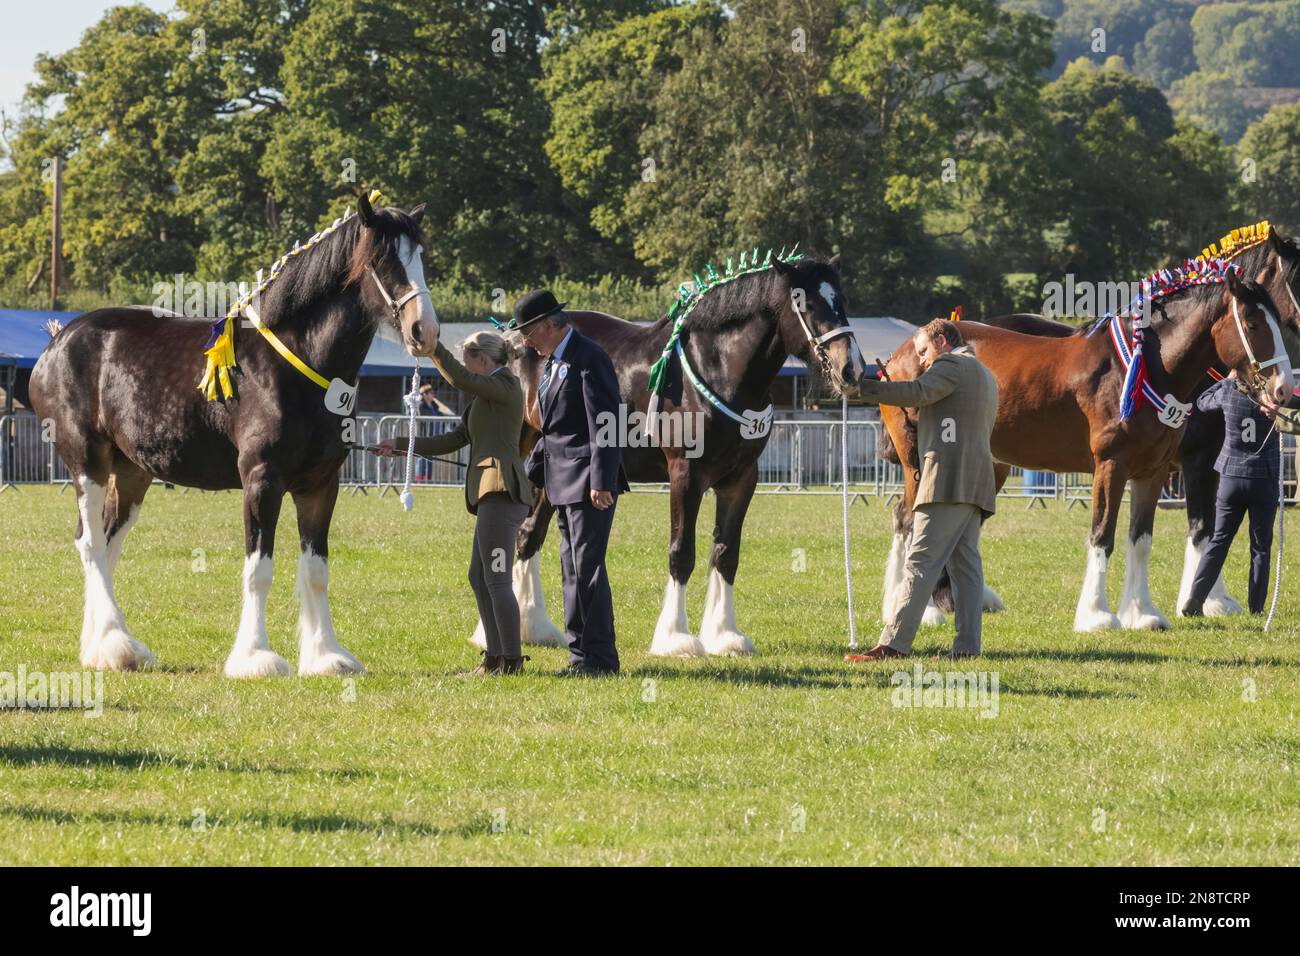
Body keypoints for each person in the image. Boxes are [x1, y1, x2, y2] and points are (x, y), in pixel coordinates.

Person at [374, 331, 531, 674]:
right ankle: (495, 658)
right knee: (480, 577)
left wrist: (433, 349)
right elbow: (454, 439)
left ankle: (511, 662)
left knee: (498, 579)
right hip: (489, 493)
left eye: (468, 360)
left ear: (483, 361)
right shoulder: (486, 396)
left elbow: (459, 378)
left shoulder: (505, 385)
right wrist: (401, 444)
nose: (465, 368)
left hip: (500, 492)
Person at [848, 318, 999, 661]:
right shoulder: (985, 375)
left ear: (942, 341)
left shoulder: (951, 365)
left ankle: (892, 645)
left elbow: (918, 392)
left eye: (923, 352)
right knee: (967, 570)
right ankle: (966, 649)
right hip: (975, 484)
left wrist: (866, 388)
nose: (922, 361)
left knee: (919, 562)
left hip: (945, 482)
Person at [511, 289, 628, 676]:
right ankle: (580, 654)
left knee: (588, 569)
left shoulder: (588, 357)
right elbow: (554, 429)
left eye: (528, 332)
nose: (525, 341)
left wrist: (602, 480)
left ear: (549, 324)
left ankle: (599, 659)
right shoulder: (554, 362)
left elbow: (606, 423)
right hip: (561, 481)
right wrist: (530, 471)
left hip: (588, 485)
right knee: (573, 569)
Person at [1181, 372, 1282, 616]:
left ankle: (1195, 598)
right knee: (1260, 548)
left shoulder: (1228, 389)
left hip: (1231, 476)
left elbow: (1203, 402)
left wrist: (1226, 379)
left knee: (1219, 541)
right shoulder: (1275, 397)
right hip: (1263, 478)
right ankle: (1256, 608)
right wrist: (1280, 412)